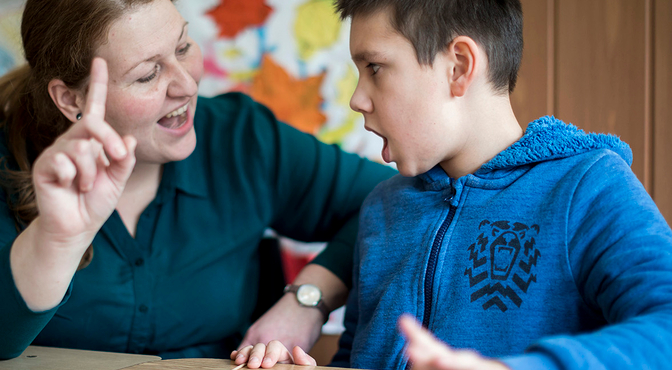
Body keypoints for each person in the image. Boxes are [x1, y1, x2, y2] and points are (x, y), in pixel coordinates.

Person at [0, 0, 396, 360]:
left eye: (181, 48)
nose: (186, 85)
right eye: (147, 74)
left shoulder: (242, 139)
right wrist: (56, 239)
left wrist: (307, 299)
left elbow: (391, 203)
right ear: (69, 98)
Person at [232, 0, 672, 369]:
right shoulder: (382, 208)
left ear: (458, 67)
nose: (357, 99)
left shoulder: (587, 186)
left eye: (375, 68)